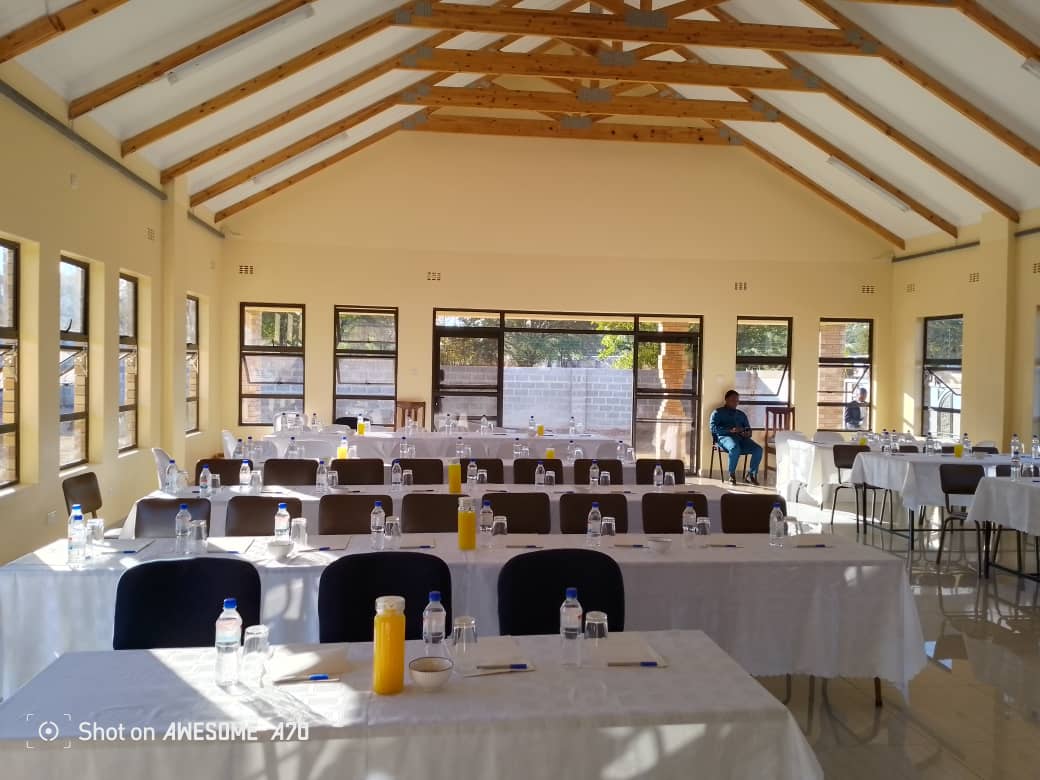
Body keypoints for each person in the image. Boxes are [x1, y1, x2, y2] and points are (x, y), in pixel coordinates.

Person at [710, 390, 762, 486]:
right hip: (725, 438)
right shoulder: (718, 412)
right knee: (734, 447)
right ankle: (732, 474)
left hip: (741, 438)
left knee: (758, 449)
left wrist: (746, 432)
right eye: (732, 400)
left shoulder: (741, 414)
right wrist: (730, 430)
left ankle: (751, 475)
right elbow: (713, 428)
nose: (735, 403)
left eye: (737, 401)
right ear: (726, 400)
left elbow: (748, 430)